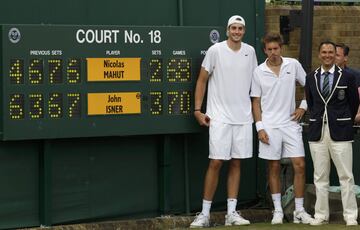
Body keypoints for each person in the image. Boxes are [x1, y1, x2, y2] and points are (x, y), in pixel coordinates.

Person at [190, 15, 258, 228]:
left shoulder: (250, 52)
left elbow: (256, 84)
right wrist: (197, 110)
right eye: (233, 28)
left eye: (240, 28)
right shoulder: (215, 51)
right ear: (227, 30)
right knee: (216, 162)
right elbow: (201, 80)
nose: (237, 31)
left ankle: (231, 213)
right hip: (218, 117)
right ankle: (205, 214)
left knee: (237, 162)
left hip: (243, 118)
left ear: (243, 31)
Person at [251, 32, 313, 225]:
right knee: (273, 166)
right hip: (269, 125)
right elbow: (255, 102)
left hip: (290, 124)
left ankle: (299, 211)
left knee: (300, 165)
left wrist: (303, 107)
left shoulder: (292, 64)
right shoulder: (258, 71)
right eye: (269, 49)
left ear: (281, 48)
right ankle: (278, 210)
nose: (273, 52)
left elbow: (310, 87)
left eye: (276, 48)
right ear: (264, 51)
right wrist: (260, 127)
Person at [305, 41, 359, 226]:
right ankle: (321, 215)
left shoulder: (348, 76)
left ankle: (350, 216)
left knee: (346, 176)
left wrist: (343, 120)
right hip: (318, 131)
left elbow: (353, 103)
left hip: (341, 131)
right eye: (324, 52)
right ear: (319, 54)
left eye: (331, 52)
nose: (327, 55)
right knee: (320, 176)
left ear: (335, 54)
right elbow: (312, 104)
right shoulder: (311, 77)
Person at [335, 43, 360, 123]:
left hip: (350, 121)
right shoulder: (322, 75)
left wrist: (356, 115)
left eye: (337, 55)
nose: (333, 58)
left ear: (345, 58)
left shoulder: (355, 75)